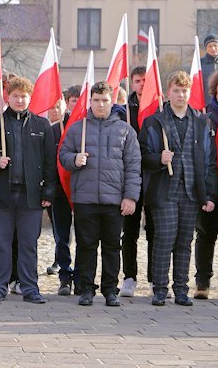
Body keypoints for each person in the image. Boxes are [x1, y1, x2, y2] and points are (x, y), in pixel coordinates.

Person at [59, 81, 141, 307]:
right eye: (96, 100)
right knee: (86, 245)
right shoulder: (78, 128)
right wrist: (74, 160)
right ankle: (86, 288)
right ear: (91, 102)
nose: (101, 105)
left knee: (112, 246)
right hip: (85, 198)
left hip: (114, 200)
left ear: (112, 101)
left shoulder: (125, 131)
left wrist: (130, 196)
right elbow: (63, 155)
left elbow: (134, 166)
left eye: (105, 100)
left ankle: (110, 289)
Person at [139, 71, 217, 307]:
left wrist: (209, 194)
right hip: (164, 190)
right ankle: (160, 289)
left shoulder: (202, 122)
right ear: (168, 92)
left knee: (185, 241)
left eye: (184, 91)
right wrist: (157, 159)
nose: (180, 95)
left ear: (189, 92)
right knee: (164, 238)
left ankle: (181, 289)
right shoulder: (154, 122)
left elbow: (210, 161)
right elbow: (142, 155)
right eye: (176, 90)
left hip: (192, 191)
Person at [0, 77, 57, 304]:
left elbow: (50, 162)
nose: (20, 100)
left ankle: (30, 287)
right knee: (0, 243)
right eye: (15, 96)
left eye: (24, 96)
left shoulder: (41, 126)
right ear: (7, 97)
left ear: (30, 98)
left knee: (28, 243)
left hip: (30, 195)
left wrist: (48, 193)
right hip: (1, 194)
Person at [119, 66, 155, 297]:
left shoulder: (159, 107)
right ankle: (129, 277)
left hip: (154, 176)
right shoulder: (124, 111)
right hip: (130, 176)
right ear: (131, 83)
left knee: (154, 231)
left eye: (145, 80)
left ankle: (155, 278)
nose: (141, 84)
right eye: (137, 80)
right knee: (129, 231)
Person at [194, 68, 218, 299]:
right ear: (214, 88)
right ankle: (202, 283)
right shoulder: (203, 116)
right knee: (205, 235)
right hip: (209, 184)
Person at [47, 98, 75, 294]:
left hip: (80, 190)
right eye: (52, 106)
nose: (55, 110)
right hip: (58, 192)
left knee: (84, 237)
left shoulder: (76, 129)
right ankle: (65, 275)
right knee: (61, 237)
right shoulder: (48, 131)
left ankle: (81, 276)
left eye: (59, 106)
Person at [200, 34, 218, 102]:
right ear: (206, 48)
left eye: (215, 45)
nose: (213, 48)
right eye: (210, 46)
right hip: (205, 104)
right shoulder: (199, 63)